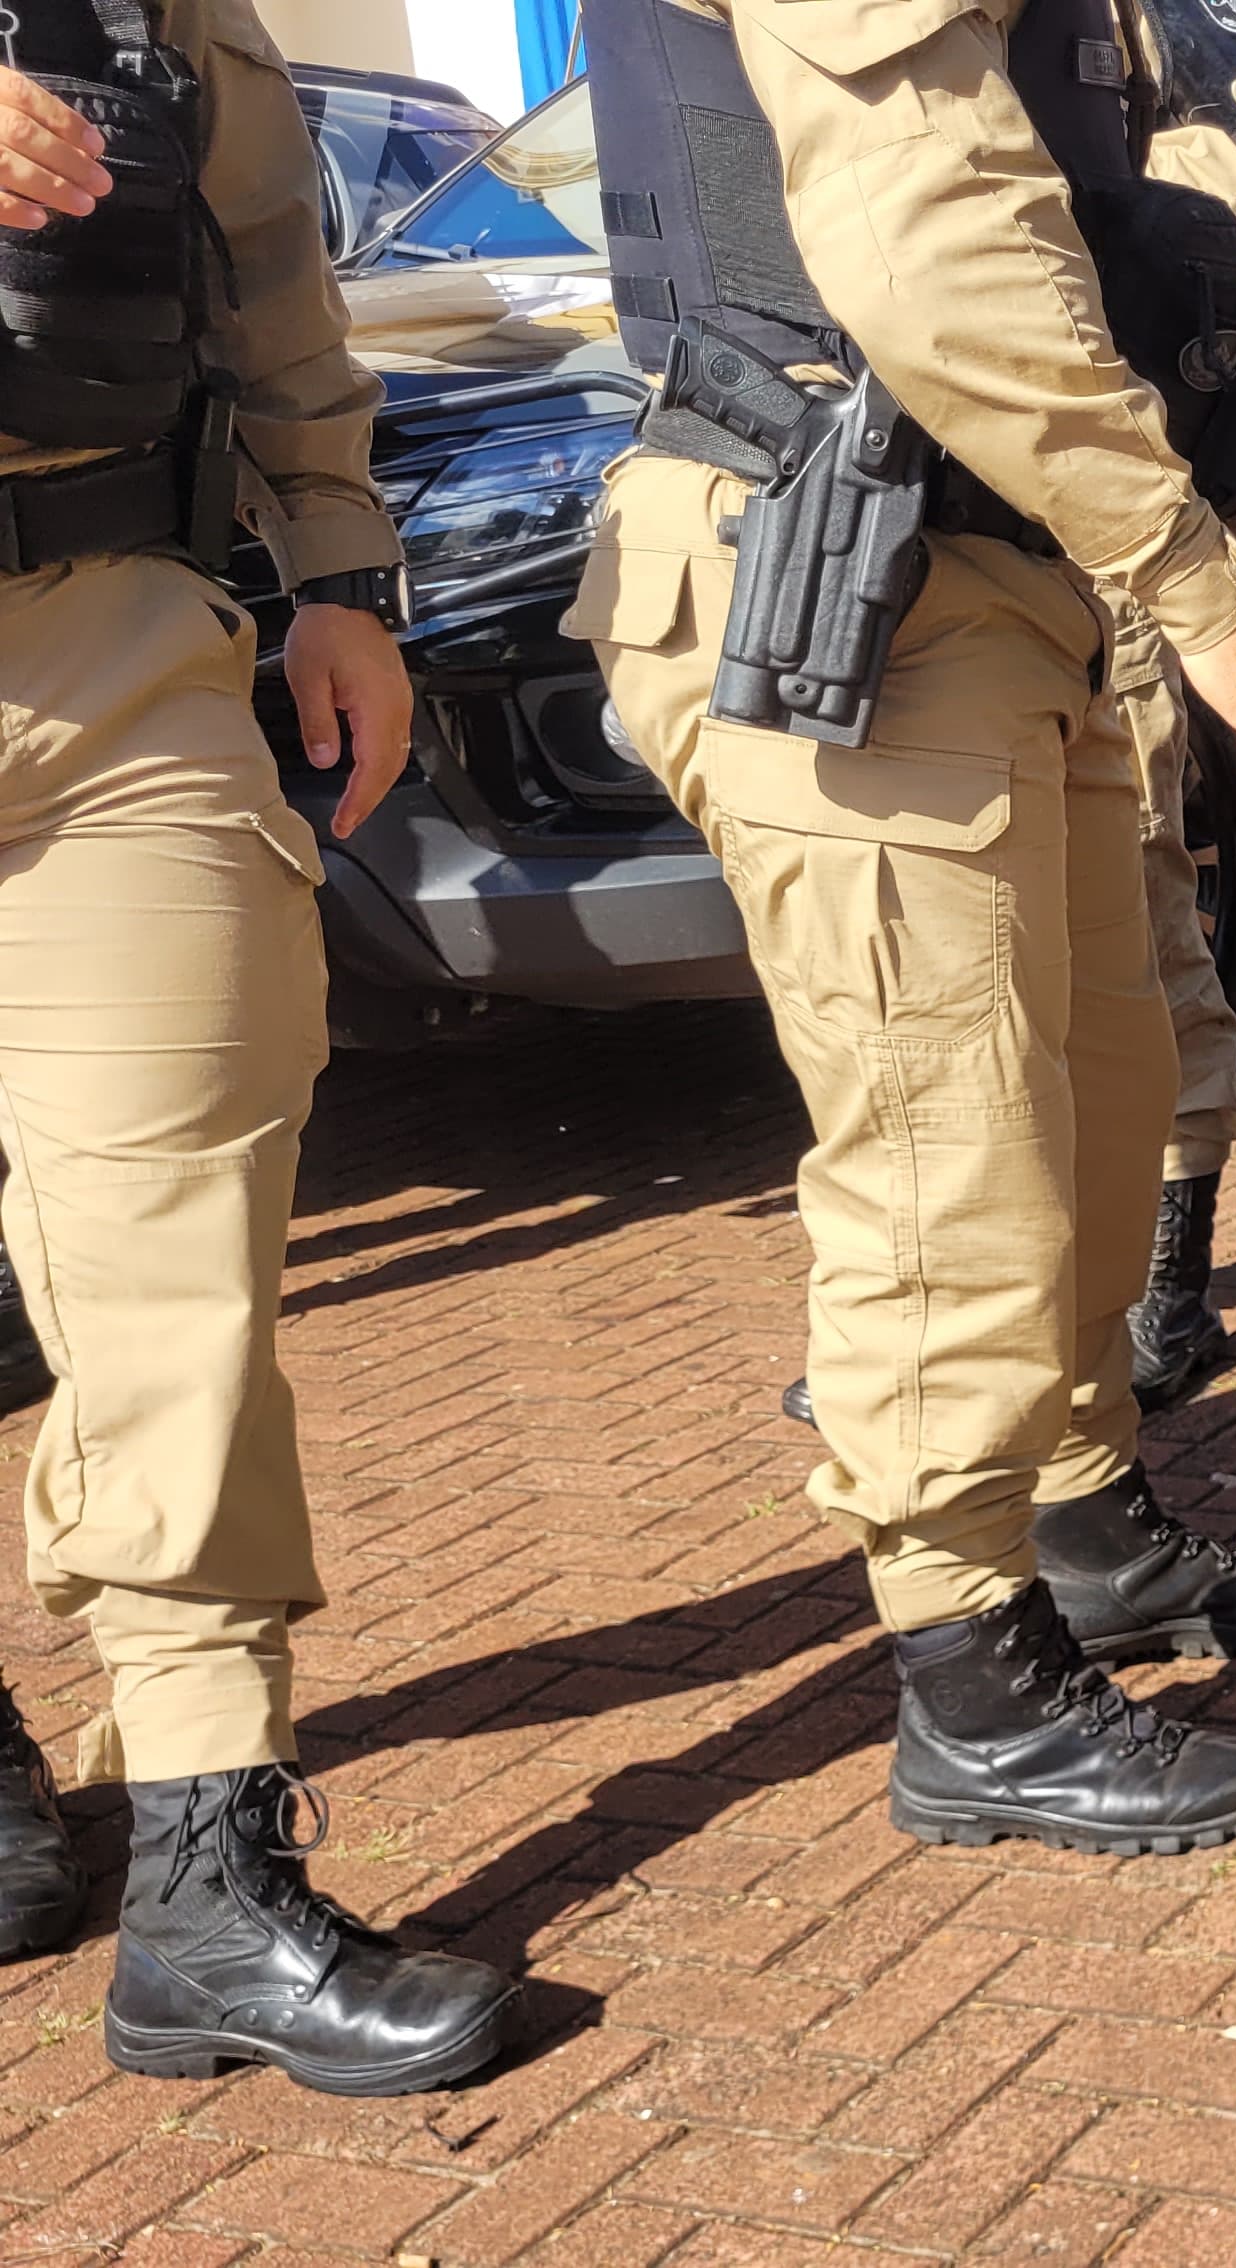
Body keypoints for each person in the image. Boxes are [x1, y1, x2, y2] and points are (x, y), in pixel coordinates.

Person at [575, 0, 1236, 1854]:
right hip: (841, 567)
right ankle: (969, 1677)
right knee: (946, 1154)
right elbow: (940, 242)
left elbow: (1102, 267)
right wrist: (1208, 592)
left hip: (1020, 568)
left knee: (1105, 1102)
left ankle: (1086, 1515)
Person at [0, 7, 516, 2088]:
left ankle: (209, 1875)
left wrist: (342, 572)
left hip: (120, 655)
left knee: (179, 1262)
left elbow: (280, 292)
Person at [768, 0, 1236, 1428]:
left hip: (1127, 509)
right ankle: (992, 1345)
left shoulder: (1173, 12)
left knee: (1137, 904)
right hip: (908, 506)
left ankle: (1155, 1296)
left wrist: (1096, 176)